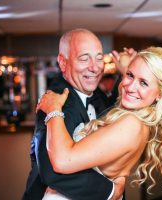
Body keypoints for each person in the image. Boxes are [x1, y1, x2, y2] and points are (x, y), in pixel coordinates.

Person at [36, 47, 162, 199]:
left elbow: (63, 161)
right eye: (130, 75)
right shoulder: (134, 118)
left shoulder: (131, 124)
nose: (130, 86)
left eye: (144, 83)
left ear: (160, 94)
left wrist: (53, 110)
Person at [22, 29, 126, 200]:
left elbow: (109, 109)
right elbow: (53, 172)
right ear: (63, 63)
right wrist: (111, 191)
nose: (95, 67)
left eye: (99, 58)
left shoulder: (92, 91)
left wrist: (125, 75)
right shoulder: (56, 101)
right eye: (84, 58)